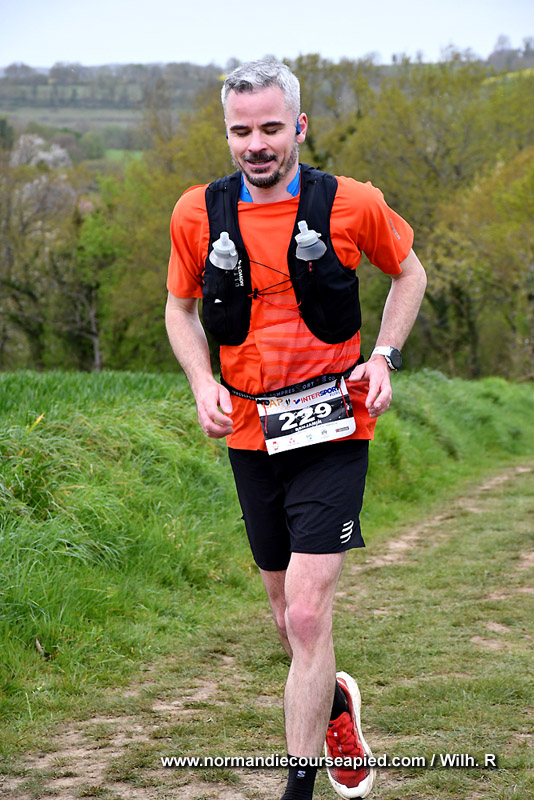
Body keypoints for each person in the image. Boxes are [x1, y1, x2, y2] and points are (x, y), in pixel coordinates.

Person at [165, 58, 427, 800]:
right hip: (250, 431)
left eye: (271, 128)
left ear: (300, 127)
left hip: (336, 422)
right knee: (286, 619)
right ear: (227, 133)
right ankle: (333, 702)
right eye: (241, 130)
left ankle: (298, 788)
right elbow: (178, 309)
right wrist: (202, 383)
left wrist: (384, 356)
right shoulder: (197, 213)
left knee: (310, 613)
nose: (256, 144)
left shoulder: (351, 203)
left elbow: (409, 273)